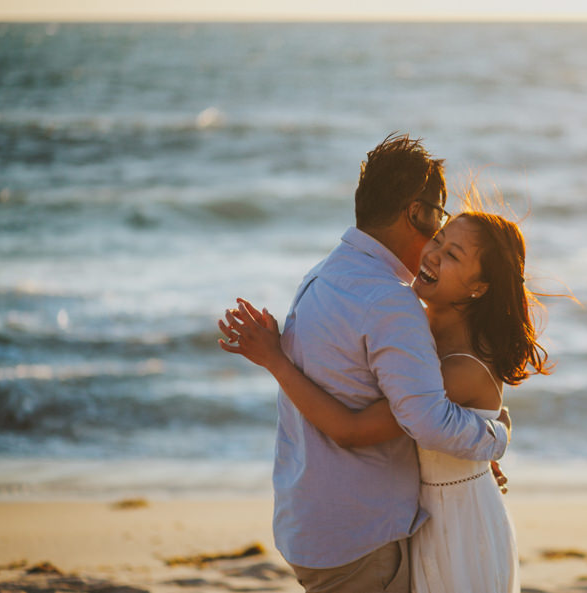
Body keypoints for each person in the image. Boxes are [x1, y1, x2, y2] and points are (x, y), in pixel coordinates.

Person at [217, 133, 511, 593]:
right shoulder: (389, 303)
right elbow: (426, 422)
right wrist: (494, 438)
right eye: (439, 216)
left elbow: (407, 408)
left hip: (312, 525)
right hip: (360, 539)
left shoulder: (327, 272)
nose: (437, 234)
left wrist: (472, 445)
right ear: (416, 212)